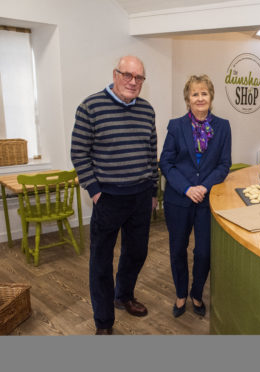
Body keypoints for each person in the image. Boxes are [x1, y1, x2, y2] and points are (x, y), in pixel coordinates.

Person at [71, 55, 158, 335]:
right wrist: (95, 192)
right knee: (101, 262)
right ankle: (104, 322)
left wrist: (154, 190)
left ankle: (124, 295)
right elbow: (79, 154)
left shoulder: (147, 110)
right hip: (108, 198)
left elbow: (150, 153)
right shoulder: (90, 107)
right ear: (115, 74)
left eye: (139, 77)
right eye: (127, 75)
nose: (133, 82)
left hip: (141, 196)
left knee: (136, 253)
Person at [159, 75, 231, 318]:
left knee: (204, 252)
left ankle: (196, 293)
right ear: (187, 99)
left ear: (211, 97)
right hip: (178, 199)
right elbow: (166, 162)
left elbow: (224, 165)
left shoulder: (223, 126)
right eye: (195, 94)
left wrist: (203, 187)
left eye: (204, 93)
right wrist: (187, 188)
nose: (200, 98)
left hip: (207, 201)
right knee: (177, 248)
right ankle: (181, 294)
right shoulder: (176, 126)